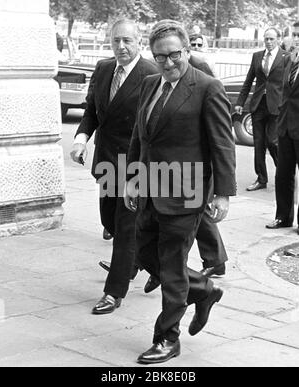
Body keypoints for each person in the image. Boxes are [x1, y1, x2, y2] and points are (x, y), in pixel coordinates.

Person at [125, 20, 236, 364]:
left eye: (174, 54)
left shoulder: (207, 87)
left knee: (172, 265)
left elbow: (222, 142)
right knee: (144, 255)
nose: (168, 62)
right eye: (160, 57)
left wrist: (222, 192)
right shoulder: (148, 84)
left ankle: (166, 338)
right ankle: (204, 290)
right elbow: (140, 136)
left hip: (187, 192)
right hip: (149, 189)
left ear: (187, 50)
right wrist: (131, 176)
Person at [70, 19, 158, 315]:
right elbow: (92, 110)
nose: (121, 46)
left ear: (139, 41)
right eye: (116, 40)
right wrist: (81, 139)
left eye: (127, 41)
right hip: (107, 161)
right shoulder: (104, 68)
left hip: (135, 166)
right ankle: (155, 265)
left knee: (125, 227)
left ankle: (114, 291)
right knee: (109, 219)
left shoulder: (152, 74)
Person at [235, 28, 290, 192]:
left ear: (278, 39)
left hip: (277, 106)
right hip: (258, 105)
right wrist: (240, 102)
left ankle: (285, 176)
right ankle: (261, 179)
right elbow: (249, 80)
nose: (268, 42)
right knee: (258, 144)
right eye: (266, 39)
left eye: (272, 39)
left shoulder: (286, 58)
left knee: (272, 142)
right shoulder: (257, 56)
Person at [266, 22, 299, 231]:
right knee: (283, 174)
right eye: (295, 35)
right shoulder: (292, 59)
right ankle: (283, 217)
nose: (297, 39)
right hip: (286, 127)